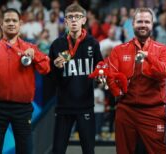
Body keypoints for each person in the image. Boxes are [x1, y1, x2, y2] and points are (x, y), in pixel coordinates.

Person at [0, 8, 50, 154]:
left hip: (22, 109)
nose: (11, 23)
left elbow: (46, 69)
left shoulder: (30, 48)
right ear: (1, 25)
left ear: (20, 24)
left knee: (25, 150)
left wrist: (35, 57)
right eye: (7, 20)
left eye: (14, 20)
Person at [106, 8, 166, 154]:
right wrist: (115, 88)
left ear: (152, 24)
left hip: (153, 111)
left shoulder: (163, 50)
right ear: (133, 24)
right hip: (126, 110)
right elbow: (111, 77)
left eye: (147, 22)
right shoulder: (119, 50)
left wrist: (148, 57)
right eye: (140, 21)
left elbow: (164, 72)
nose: (143, 25)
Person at [48, 3, 103, 154]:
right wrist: (56, 68)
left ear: (84, 20)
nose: (74, 20)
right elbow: (50, 78)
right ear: (65, 21)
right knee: (58, 150)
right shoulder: (57, 45)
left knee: (88, 150)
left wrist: (101, 79)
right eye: (70, 17)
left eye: (77, 17)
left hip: (85, 105)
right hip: (64, 106)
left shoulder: (93, 43)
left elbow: (100, 70)